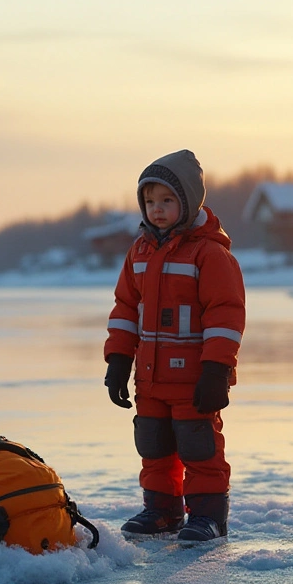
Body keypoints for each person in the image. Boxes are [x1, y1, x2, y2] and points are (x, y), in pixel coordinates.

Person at [103, 149, 246, 543]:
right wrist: (118, 361)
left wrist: (217, 370)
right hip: (148, 377)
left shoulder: (209, 254)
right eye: (150, 202)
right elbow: (125, 309)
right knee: (154, 445)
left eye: (166, 200)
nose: (157, 210)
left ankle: (208, 515)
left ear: (187, 202)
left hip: (195, 378)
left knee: (199, 447)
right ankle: (162, 510)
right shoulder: (140, 253)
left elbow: (226, 315)